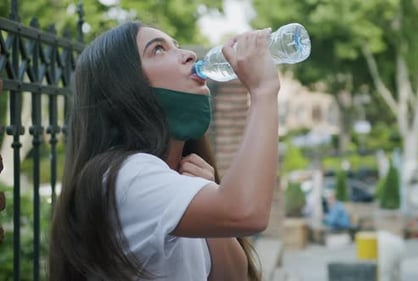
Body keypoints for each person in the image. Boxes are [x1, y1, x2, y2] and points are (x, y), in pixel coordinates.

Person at [49, 21, 280, 281]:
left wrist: (207, 195)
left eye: (176, 46)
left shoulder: (173, 184)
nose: (190, 55)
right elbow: (247, 211)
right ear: (124, 88)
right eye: (158, 49)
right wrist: (263, 91)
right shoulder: (127, 176)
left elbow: (234, 277)